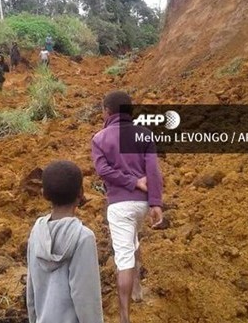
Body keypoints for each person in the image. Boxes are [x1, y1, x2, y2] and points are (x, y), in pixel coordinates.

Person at [90, 90, 164, 323]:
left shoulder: (100, 138)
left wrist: (129, 182)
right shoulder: (144, 134)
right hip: (141, 204)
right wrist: (156, 202)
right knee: (133, 240)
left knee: (123, 257)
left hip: (119, 205)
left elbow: (103, 171)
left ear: (107, 111)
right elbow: (153, 171)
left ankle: (124, 319)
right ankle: (138, 289)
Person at [26, 160, 104, 323]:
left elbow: (31, 291)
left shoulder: (36, 232)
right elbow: (86, 299)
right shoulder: (83, 238)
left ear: (44, 194)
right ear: (81, 193)